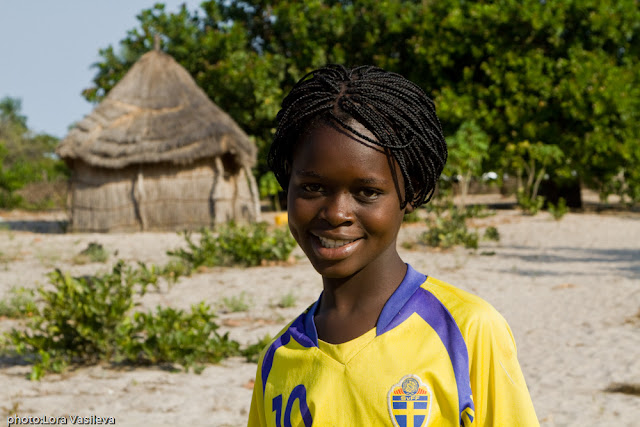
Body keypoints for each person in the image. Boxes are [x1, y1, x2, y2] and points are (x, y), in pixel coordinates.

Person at [248, 65, 538, 426]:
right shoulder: (278, 358)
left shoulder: (466, 331)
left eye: (367, 192)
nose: (336, 213)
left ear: (411, 192)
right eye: (313, 187)